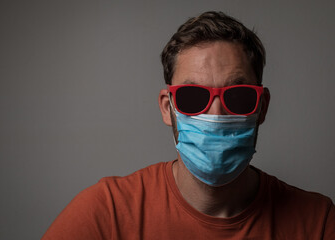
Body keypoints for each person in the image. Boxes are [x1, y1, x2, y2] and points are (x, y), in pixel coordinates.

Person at [42, 11, 335, 239]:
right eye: (194, 96)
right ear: (167, 108)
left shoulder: (318, 223)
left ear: (262, 107)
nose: (216, 113)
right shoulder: (108, 213)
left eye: (238, 95)